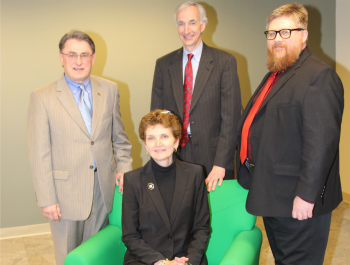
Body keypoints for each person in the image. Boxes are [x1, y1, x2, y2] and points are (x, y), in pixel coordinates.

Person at [236, 4, 344, 265]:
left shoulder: (318, 76)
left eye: (285, 32)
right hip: (274, 194)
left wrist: (307, 195)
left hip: (297, 199)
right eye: (271, 34)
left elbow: (321, 142)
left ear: (304, 35)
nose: (276, 40)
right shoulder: (277, 73)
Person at [27, 30, 132, 264]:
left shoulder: (110, 89)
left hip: (103, 190)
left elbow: (120, 138)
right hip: (65, 195)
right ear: (61, 57)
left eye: (84, 55)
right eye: (72, 54)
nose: (78, 61)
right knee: (69, 256)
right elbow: (39, 154)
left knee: (98, 254)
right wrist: (46, 198)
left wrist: (124, 167)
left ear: (93, 58)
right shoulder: (42, 97)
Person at [151, 1, 241, 191]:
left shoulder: (224, 62)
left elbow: (231, 119)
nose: (186, 29)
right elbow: (156, 118)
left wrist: (221, 164)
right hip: (173, 155)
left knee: (211, 217)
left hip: (213, 159)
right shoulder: (163, 64)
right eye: (181, 23)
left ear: (203, 25)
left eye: (192, 22)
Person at [122, 110, 210, 265]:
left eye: (164, 136)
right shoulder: (132, 180)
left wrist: (188, 262)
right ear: (146, 144)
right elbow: (130, 236)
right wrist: (161, 262)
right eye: (151, 138)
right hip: (146, 261)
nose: (158, 144)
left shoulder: (195, 174)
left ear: (176, 141)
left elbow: (201, 228)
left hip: (186, 259)